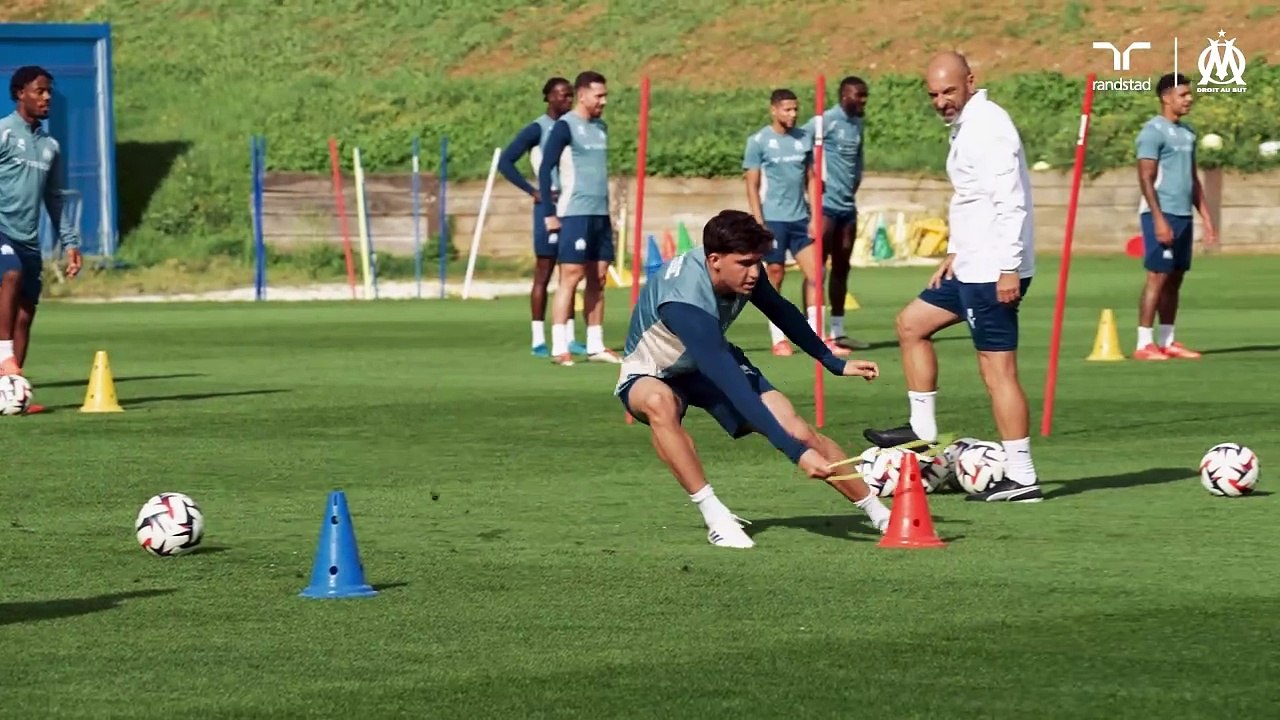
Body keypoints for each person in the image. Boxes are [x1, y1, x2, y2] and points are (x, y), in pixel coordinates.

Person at [615, 209, 889, 549]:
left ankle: (883, 516)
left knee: (798, 429)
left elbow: (781, 310)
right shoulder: (684, 301)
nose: (754, 272)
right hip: (652, 370)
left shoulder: (743, 272)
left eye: (757, 262)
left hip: (706, 360)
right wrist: (796, 455)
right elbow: (734, 386)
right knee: (660, 404)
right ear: (714, 259)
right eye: (745, 263)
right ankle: (716, 516)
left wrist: (830, 361)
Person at [861, 52, 1043, 503]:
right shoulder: (967, 125)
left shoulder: (990, 127)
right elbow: (973, 199)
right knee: (910, 324)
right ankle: (922, 429)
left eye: (949, 91)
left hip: (992, 273)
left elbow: (1011, 201)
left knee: (997, 372)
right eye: (934, 94)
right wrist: (956, 251)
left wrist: (1008, 268)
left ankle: (1022, 477)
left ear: (971, 81)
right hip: (970, 265)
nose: (941, 101)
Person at [743, 89, 851, 359]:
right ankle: (778, 338)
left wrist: (815, 216)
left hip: (800, 218)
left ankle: (817, 336)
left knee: (817, 274)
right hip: (774, 219)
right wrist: (759, 222)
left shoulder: (804, 139)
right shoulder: (758, 141)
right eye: (787, 110)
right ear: (774, 110)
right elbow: (752, 185)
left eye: (795, 109)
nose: (792, 115)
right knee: (776, 273)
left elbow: (812, 179)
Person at [0, 66, 82, 412]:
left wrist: (70, 242)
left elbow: (54, 197)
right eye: (39, 91)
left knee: (25, 314)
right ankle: (4, 358)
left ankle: (12, 392)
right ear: (20, 93)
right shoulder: (3, 132)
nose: (47, 97)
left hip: (28, 237)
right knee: (11, 273)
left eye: (49, 91)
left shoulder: (50, 146)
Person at [496, 77, 586, 358]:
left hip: (571, 205)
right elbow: (506, 161)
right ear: (548, 97)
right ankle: (538, 337)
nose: (566, 100)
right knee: (544, 271)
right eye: (561, 96)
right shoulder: (539, 128)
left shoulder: (575, 127)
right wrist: (532, 191)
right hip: (548, 204)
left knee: (569, 271)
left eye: (570, 96)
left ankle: (569, 336)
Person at [1132, 72, 1217, 360]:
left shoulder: (1188, 132)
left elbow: (1193, 179)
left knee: (1175, 278)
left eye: (1189, 94)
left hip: (1182, 215)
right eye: (1183, 95)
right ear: (1166, 98)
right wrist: (1158, 219)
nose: (1189, 99)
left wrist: (1206, 218)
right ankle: (1144, 343)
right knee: (1157, 276)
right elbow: (1145, 178)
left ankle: (1167, 340)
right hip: (1161, 213)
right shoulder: (1152, 132)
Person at [538, 70, 620, 366]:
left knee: (598, 278)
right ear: (582, 94)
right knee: (571, 276)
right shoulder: (565, 127)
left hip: (601, 213)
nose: (604, 101)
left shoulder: (601, 127)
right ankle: (560, 346)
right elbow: (545, 168)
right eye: (599, 95)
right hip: (575, 213)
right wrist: (549, 212)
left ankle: (595, 344)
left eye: (605, 95)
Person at [800, 75, 871, 351]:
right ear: (844, 96)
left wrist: (855, 184)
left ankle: (838, 331)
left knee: (842, 267)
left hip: (846, 207)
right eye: (859, 95)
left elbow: (859, 159)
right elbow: (799, 144)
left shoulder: (857, 123)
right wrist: (814, 179)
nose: (863, 100)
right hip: (825, 207)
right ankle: (810, 331)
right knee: (816, 268)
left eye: (865, 95)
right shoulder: (824, 121)